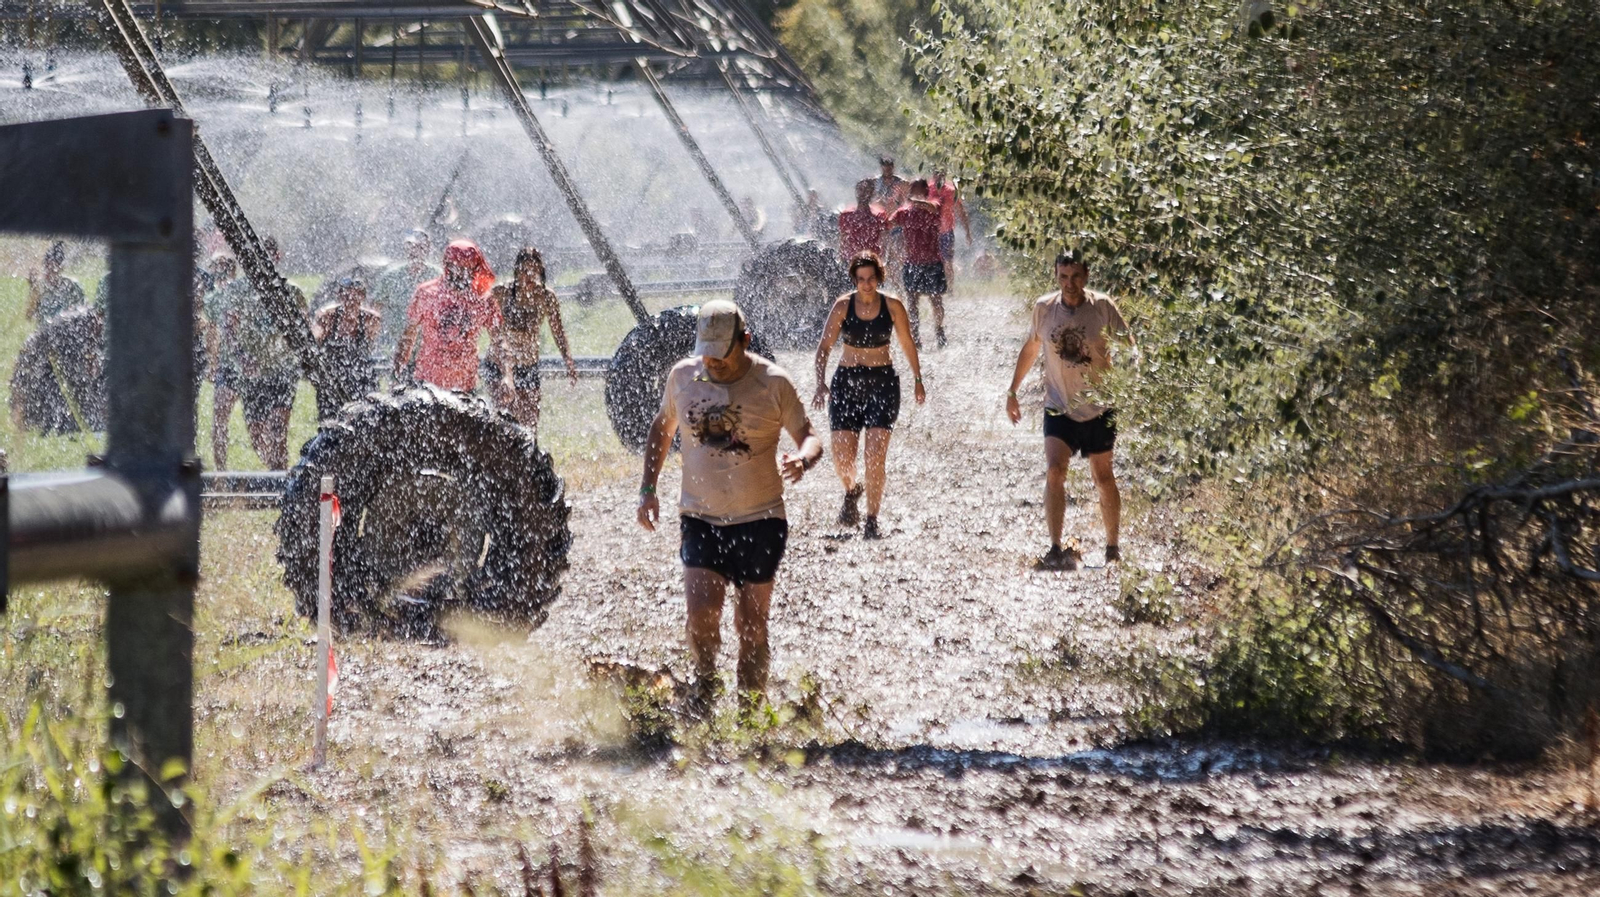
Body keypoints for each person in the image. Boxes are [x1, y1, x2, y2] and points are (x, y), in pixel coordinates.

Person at [636, 300, 823, 712]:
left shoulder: (773, 383)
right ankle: (704, 693)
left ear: (745, 340)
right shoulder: (683, 377)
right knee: (702, 616)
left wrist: (804, 459)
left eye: (722, 352)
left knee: (752, 626)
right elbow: (661, 427)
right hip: (700, 517)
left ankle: (751, 712)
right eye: (707, 351)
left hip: (761, 519)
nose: (713, 362)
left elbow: (809, 435)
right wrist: (648, 488)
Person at [1005, 250, 1136, 569]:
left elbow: (1129, 346)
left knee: (1103, 478)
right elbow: (1032, 348)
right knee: (1054, 470)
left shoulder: (1102, 307)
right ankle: (1054, 546)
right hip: (1059, 406)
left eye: (1076, 276)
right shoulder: (1044, 308)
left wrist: (1132, 382)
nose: (1070, 283)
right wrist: (1012, 391)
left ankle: (1112, 547)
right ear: (1056, 276)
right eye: (1063, 276)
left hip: (1099, 406)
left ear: (1086, 276)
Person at [811, 252, 925, 539]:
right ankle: (852, 491)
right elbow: (824, 347)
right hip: (846, 384)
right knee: (842, 457)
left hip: (882, 384)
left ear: (879, 278)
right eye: (861, 279)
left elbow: (907, 343)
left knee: (875, 455)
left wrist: (918, 379)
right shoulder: (842, 306)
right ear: (855, 280)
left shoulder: (893, 306)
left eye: (871, 278)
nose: (866, 284)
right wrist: (820, 383)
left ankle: (872, 519)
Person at [206, 238, 299, 470]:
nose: (262, 260)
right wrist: (240, 357)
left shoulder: (289, 289)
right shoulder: (238, 290)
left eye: (268, 255)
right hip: (251, 372)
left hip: (281, 370)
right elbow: (226, 327)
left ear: (277, 257)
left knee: (278, 430)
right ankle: (270, 474)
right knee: (258, 436)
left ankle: (281, 483)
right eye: (258, 256)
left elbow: (302, 327)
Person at [487, 246, 578, 439]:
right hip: (501, 365)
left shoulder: (546, 297)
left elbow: (558, 332)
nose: (528, 276)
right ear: (517, 271)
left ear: (540, 272)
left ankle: (529, 463)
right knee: (504, 419)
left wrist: (568, 361)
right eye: (524, 270)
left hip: (528, 364)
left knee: (530, 423)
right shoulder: (502, 293)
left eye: (533, 271)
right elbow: (480, 312)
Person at [393, 239, 500, 392]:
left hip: (465, 386)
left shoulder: (483, 299)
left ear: (474, 269)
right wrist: (397, 375)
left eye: (466, 269)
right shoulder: (426, 293)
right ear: (447, 266)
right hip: (427, 383)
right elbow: (408, 336)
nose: (460, 274)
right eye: (456, 268)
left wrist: (506, 377)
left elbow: (499, 340)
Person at [311, 270, 383, 419]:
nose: (350, 300)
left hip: (362, 379)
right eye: (346, 296)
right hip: (333, 379)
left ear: (362, 297)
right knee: (330, 422)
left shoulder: (370, 319)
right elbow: (313, 339)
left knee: (365, 420)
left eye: (355, 296)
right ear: (339, 297)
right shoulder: (327, 317)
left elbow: (371, 346)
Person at [889, 180, 949, 349]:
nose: (914, 190)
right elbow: (889, 223)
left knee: (936, 301)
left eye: (917, 187)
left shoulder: (934, 204)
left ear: (925, 190)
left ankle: (939, 330)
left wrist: (912, 200)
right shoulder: (904, 212)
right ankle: (915, 335)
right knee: (912, 302)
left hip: (932, 261)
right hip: (912, 263)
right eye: (912, 188)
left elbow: (933, 208)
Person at [372, 229, 441, 357]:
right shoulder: (391, 277)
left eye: (421, 247)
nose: (416, 251)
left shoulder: (438, 276)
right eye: (412, 247)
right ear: (406, 248)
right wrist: (375, 336)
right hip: (396, 343)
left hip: (429, 346)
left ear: (428, 249)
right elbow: (375, 308)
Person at [873, 157, 910, 294]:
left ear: (893, 166)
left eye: (890, 165)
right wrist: (880, 202)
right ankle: (895, 287)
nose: (887, 168)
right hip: (882, 225)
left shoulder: (901, 183)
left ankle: (901, 287)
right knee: (884, 258)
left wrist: (896, 204)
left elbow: (906, 202)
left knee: (897, 257)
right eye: (885, 165)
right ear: (881, 166)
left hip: (896, 226)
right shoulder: (876, 183)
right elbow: (871, 201)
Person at [930, 168, 973, 286]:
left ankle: (950, 290)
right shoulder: (927, 190)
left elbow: (961, 212)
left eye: (940, 174)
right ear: (933, 175)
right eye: (936, 174)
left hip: (946, 232)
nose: (938, 177)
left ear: (944, 175)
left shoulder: (951, 191)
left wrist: (967, 232)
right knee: (930, 262)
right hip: (930, 233)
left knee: (947, 262)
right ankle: (934, 288)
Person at [25, 241, 85, 322]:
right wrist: (32, 287)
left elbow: (83, 312)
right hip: (44, 332)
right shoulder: (39, 287)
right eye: (46, 267)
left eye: (53, 268)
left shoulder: (72, 286)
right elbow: (29, 316)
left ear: (61, 268)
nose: (49, 271)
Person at [837, 179, 887, 264]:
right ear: (856, 192)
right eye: (860, 190)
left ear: (872, 193)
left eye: (867, 190)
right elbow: (843, 238)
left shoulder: (878, 216)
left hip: (871, 261)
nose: (863, 193)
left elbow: (884, 239)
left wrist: (882, 260)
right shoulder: (846, 216)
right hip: (851, 259)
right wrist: (841, 256)